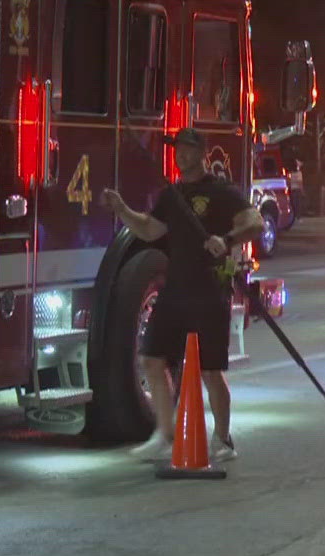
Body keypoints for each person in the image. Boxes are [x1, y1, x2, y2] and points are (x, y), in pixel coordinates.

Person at [103, 128, 264, 465]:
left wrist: (227, 239)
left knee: (210, 371)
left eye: (188, 149)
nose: (181, 155)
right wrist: (122, 210)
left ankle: (223, 439)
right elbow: (150, 229)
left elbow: (255, 222)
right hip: (175, 289)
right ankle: (163, 433)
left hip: (209, 292)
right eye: (178, 149)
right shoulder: (172, 195)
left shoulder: (221, 192)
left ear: (202, 153)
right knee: (152, 359)